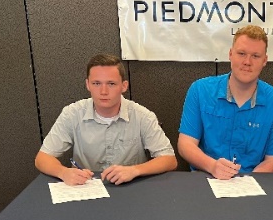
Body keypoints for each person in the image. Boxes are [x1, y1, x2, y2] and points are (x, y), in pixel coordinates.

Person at [35, 53, 177, 185]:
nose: (103, 91)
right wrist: (64, 172)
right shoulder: (72, 114)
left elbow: (169, 160)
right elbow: (42, 158)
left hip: (130, 189)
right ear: (87, 85)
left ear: (124, 86)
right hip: (86, 189)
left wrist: (135, 170)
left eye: (111, 84)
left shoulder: (142, 116)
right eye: (96, 83)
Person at [178, 25, 273, 180]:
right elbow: (185, 145)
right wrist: (212, 166)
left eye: (256, 56)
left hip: (254, 183)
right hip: (205, 179)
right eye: (241, 53)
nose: (247, 61)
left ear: (265, 60)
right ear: (230, 54)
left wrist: (245, 185)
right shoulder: (200, 90)